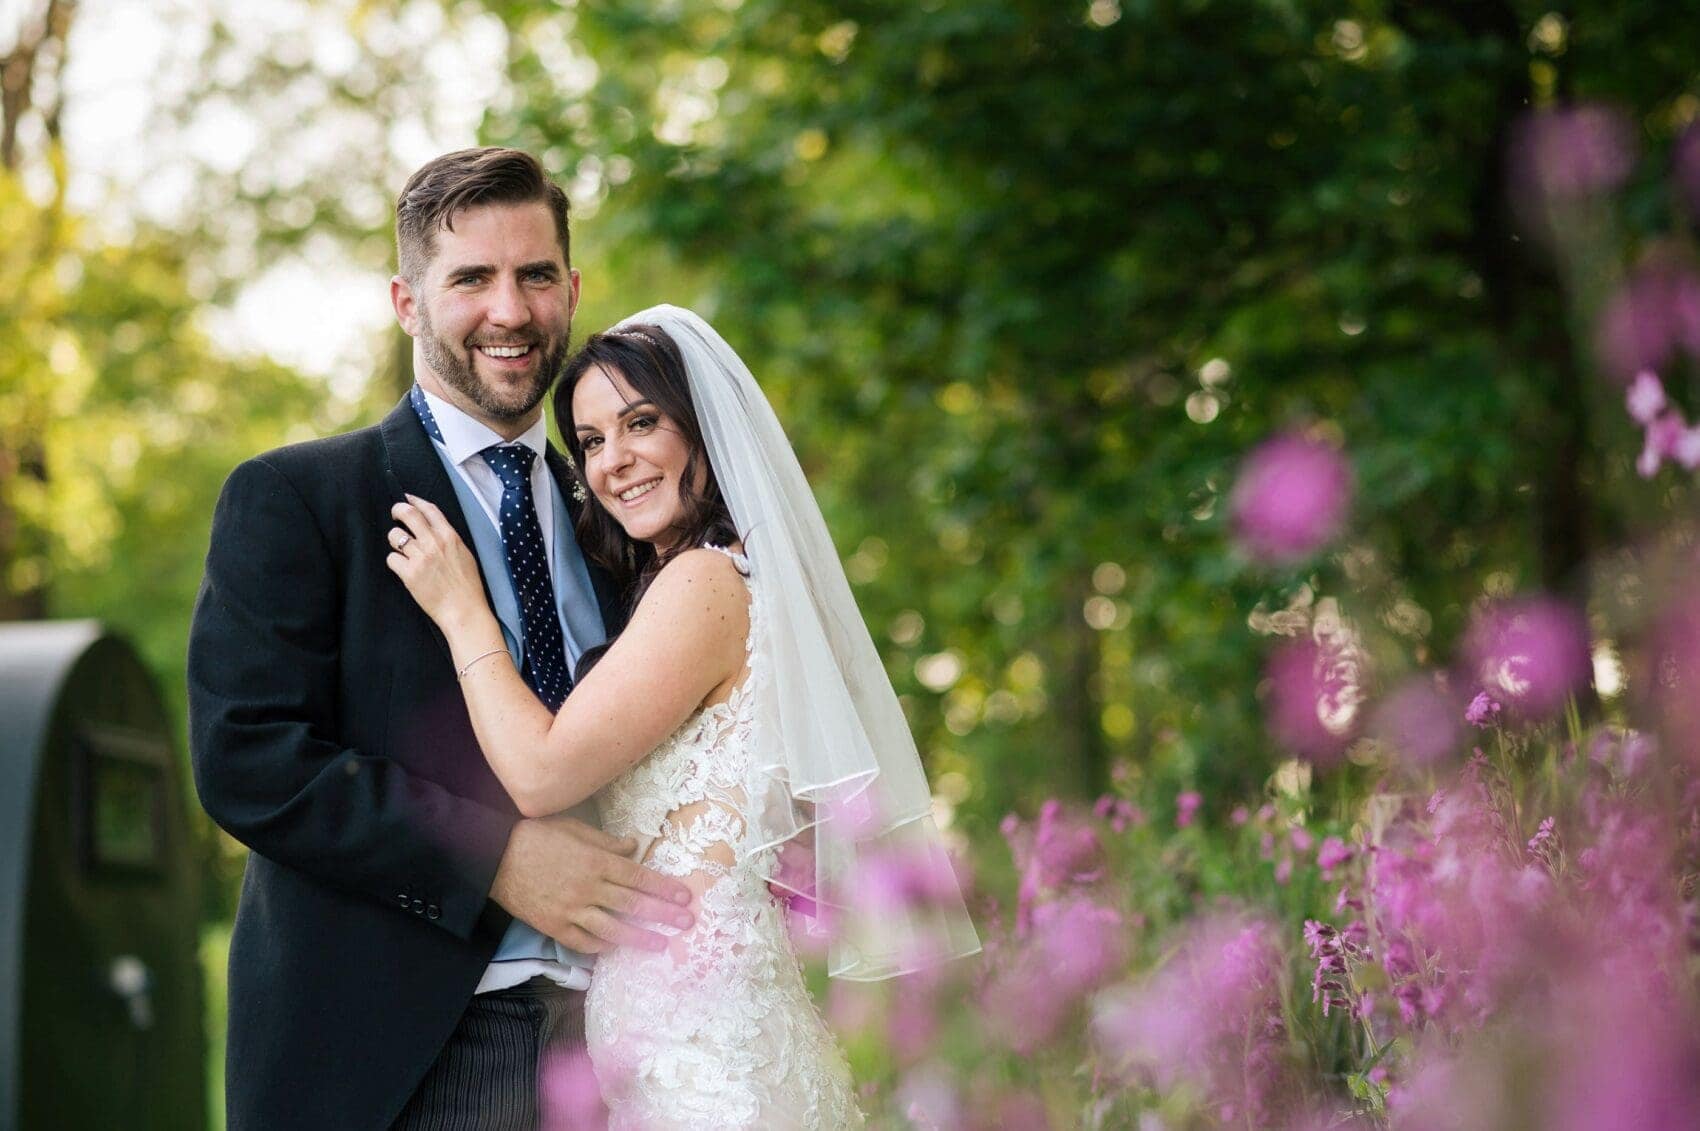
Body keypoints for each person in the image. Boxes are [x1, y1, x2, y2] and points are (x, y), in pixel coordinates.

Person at [188, 148, 697, 1130]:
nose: (509, 311)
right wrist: (496, 857)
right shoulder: (300, 499)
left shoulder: (627, 511)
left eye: (535, 275)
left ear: (571, 289)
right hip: (404, 1058)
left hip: (632, 1046)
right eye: (471, 278)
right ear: (407, 301)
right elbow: (249, 759)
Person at [385, 306, 981, 1127]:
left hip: (710, 1060)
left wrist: (464, 614)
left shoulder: (703, 584)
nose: (613, 461)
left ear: (700, 429)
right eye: (591, 441)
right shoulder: (711, 581)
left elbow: (541, 770)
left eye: (640, 423)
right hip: (685, 1044)